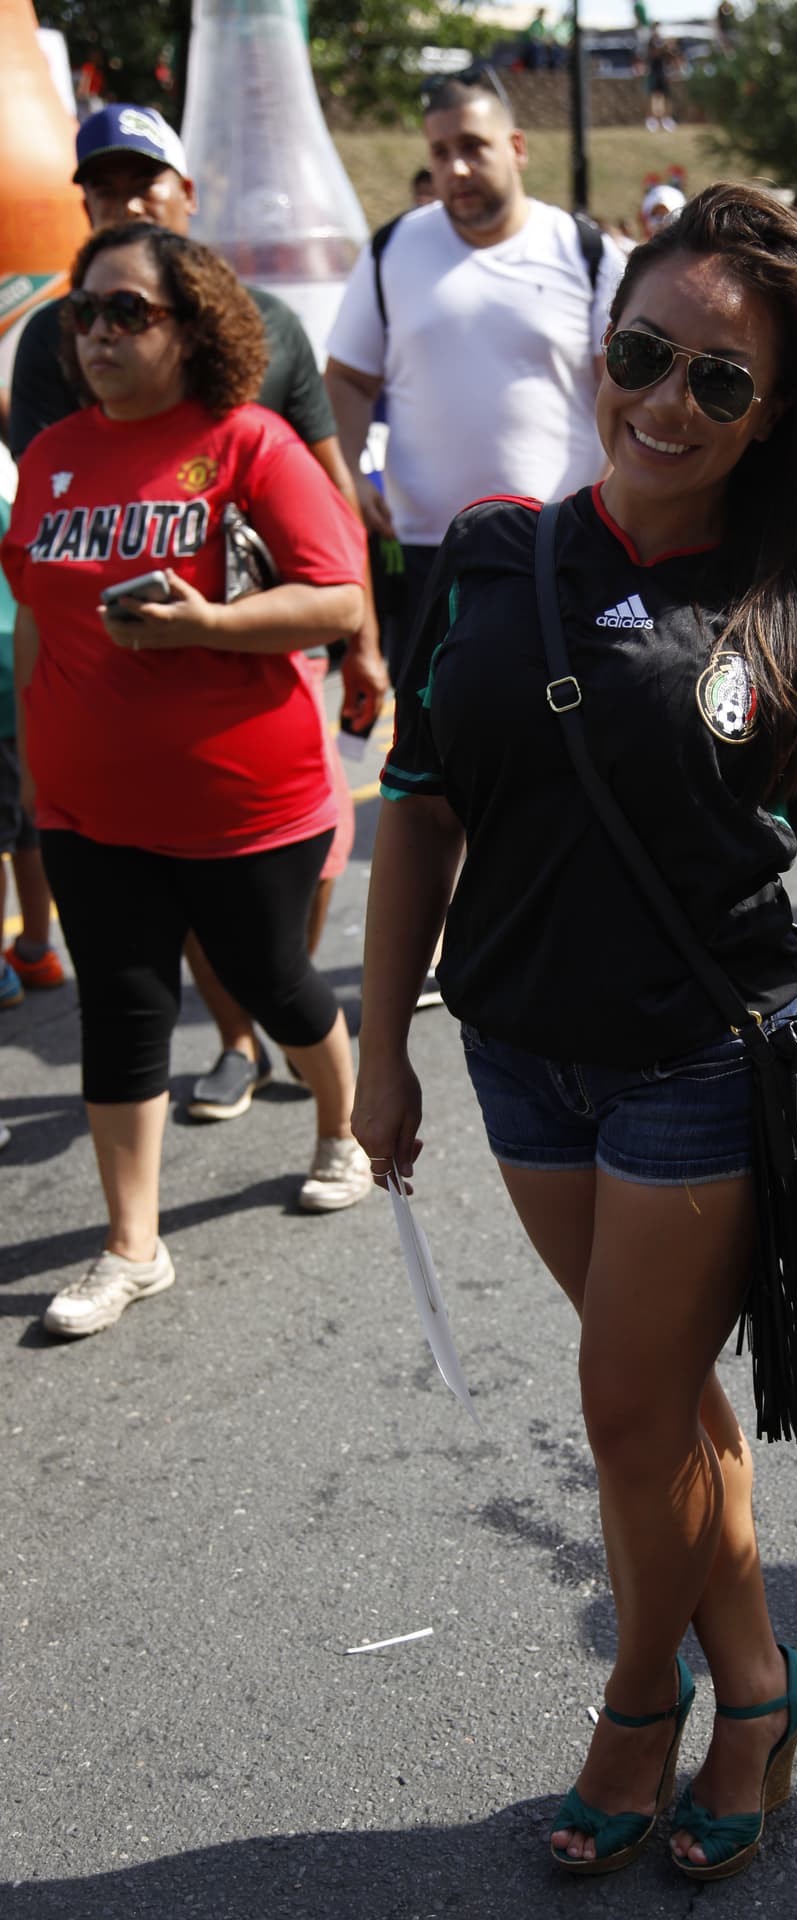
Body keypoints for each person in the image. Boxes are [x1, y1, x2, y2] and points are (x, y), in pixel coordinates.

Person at [354, 184, 797, 1882]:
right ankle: (761, 1683)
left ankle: (639, 1706)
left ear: (775, 411)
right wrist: (380, 1043)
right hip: (518, 1057)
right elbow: (420, 803)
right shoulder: (490, 555)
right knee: (662, 1412)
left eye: (721, 380)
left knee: (627, 1411)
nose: (666, 401)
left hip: (699, 1062)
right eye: (643, 354)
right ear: (604, 341)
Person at [2, 223, 372, 1338]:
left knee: (274, 982)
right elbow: (40, 617)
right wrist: (38, 756)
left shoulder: (249, 442)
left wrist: (205, 625)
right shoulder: (52, 455)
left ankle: (342, 1130)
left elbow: (336, 598)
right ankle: (132, 1246)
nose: (98, 332)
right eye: (83, 313)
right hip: (87, 806)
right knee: (124, 1007)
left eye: (128, 311)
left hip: (243, 802)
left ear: (192, 325)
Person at [8, 103, 389, 1121]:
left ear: (186, 193)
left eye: (143, 182)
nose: (125, 201)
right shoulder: (54, 337)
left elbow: (330, 490)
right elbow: (49, 527)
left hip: (266, 662)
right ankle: (233, 1042)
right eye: (103, 188)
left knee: (272, 908)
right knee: (148, 927)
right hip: (106, 700)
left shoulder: (269, 329)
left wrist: (363, 642)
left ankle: (289, 1034)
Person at [324, 74, 625, 691]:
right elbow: (349, 379)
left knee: (560, 726)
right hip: (426, 554)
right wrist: (351, 473)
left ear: (516, 147)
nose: (455, 168)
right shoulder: (392, 250)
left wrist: (612, 503)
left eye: (472, 147)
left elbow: (624, 395)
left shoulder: (585, 251)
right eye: (439, 153)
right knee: (431, 732)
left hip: (559, 547)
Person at [0, 444, 63, 1007]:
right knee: (27, 825)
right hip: (22, 669)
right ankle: (37, 948)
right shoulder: (15, 470)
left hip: (12, 668)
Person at [644, 30, 678, 132]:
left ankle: (666, 119)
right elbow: (653, 53)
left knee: (666, 98)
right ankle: (652, 120)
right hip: (654, 74)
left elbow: (671, 56)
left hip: (663, 74)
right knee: (653, 97)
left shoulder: (662, 44)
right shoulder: (650, 42)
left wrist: (669, 47)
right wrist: (663, 47)